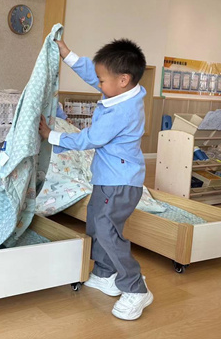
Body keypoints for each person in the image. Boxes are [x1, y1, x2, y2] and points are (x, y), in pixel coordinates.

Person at [39, 38, 153, 321]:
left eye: (102, 81)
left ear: (123, 80)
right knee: (96, 223)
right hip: (108, 178)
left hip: (120, 183)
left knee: (106, 229)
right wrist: (68, 55)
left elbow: (90, 138)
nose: (98, 84)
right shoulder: (123, 92)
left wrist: (53, 136)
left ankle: (135, 287)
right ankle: (105, 272)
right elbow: (95, 74)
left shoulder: (123, 111)